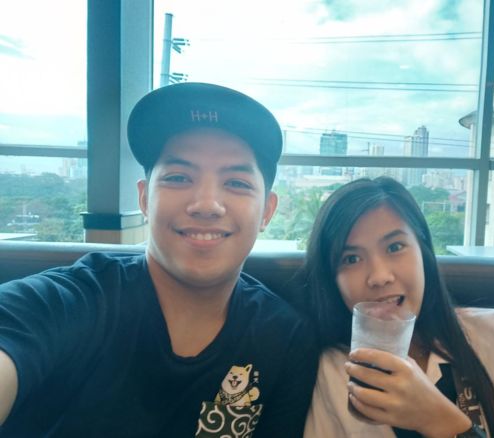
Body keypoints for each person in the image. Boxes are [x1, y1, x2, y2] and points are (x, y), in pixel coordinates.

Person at [0, 82, 318, 437]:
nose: (206, 204)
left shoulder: (284, 340)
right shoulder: (73, 303)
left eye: (237, 183)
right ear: (144, 199)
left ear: (267, 211)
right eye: (178, 177)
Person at [302, 176, 494, 438]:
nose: (379, 276)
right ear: (331, 280)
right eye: (351, 259)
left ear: (424, 254)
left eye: (395, 247)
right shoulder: (330, 372)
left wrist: (442, 422)